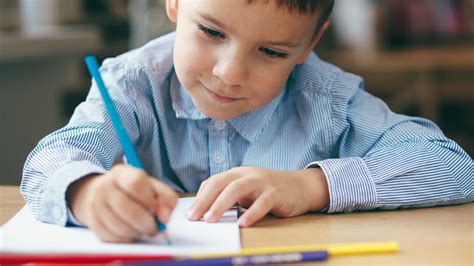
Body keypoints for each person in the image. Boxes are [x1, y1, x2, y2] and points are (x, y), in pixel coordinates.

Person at [21, 0, 473, 243]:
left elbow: (453, 168)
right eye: (211, 32)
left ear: (310, 43)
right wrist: (86, 192)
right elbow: (50, 160)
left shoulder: (326, 98)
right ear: (175, 2)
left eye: (273, 52)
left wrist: (309, 187)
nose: (230, 73)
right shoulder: (130, 84)